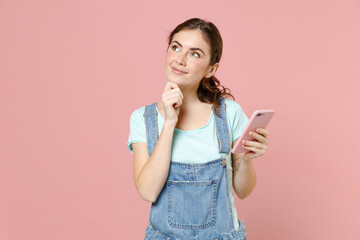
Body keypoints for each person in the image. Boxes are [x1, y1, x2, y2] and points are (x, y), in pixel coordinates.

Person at [127, 18, 270, 240]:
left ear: (211, 69)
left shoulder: (228, 114)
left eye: (195, 54)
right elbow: (147, 191)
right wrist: (169, 123)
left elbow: (243, 191)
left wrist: (247, 158)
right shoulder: (143, 118)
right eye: (175, 47)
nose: (180, 59)